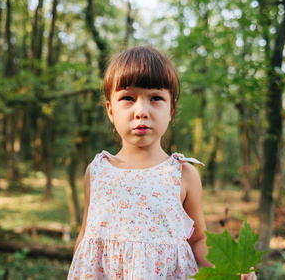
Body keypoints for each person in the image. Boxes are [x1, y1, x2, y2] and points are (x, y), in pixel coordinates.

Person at [68, 46, 256, 280]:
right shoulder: (97, 171)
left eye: (155, 98)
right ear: (110, 110)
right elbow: (86, 236)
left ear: (171, 109)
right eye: (127, 98)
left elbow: (198, 239)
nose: (141, 111)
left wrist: (233, 266)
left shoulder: (183, 174)